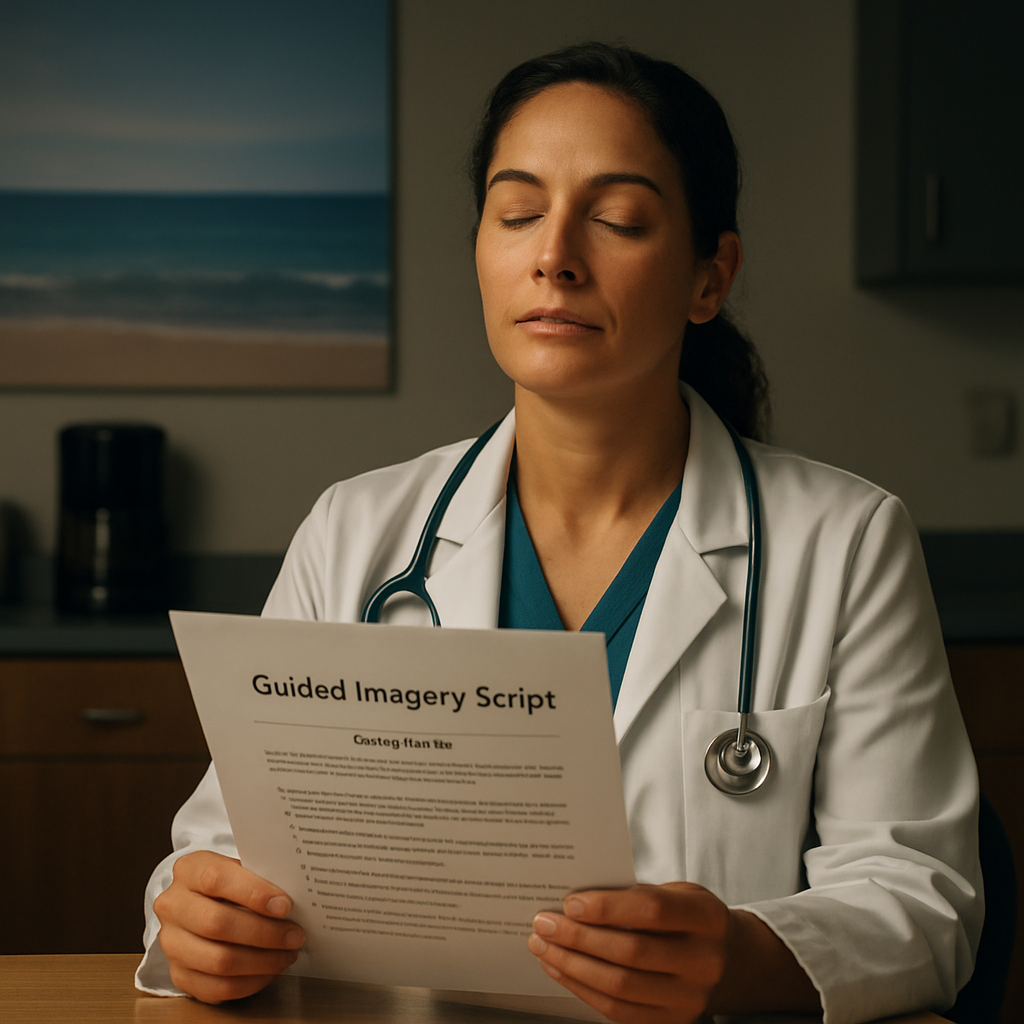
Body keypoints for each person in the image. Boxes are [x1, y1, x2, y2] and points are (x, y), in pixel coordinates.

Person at [136, 43, 983, 1024]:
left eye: (618, 217)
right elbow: (219, 856)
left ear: (711, 277)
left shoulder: (845, 543)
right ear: (483, 252)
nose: (555, 255)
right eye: (518, 211)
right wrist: (197, 917)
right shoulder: (358, 530)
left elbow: (924, 900)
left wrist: (745, 956)